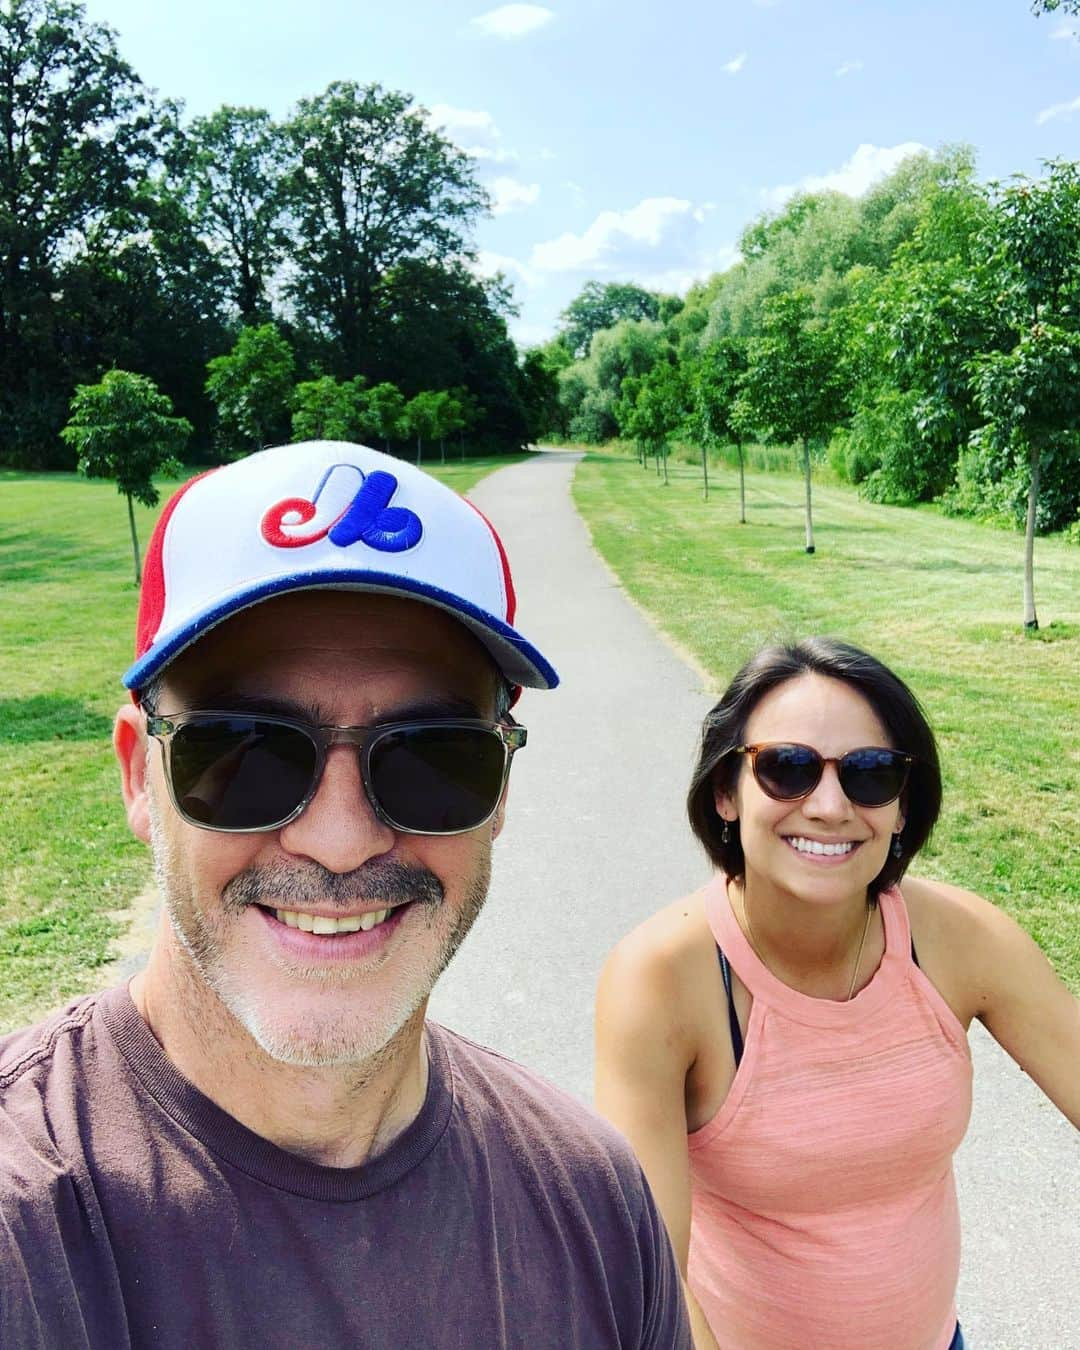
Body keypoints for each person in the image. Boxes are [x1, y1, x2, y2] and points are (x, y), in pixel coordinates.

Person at [0, 441, 691, 1349]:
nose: (338, 836)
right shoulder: (28, 1229)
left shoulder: (595, 1202)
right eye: (243, 749)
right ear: (140, 776)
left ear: (502, 792)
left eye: (434, 754)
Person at [595, 637, 1079, 1350]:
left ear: (903, 806)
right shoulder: (661, 979)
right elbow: (651, 1272)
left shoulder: (962, 937)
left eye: (871, 774)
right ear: (726, 792)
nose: (828, 806)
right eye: (786, 768)